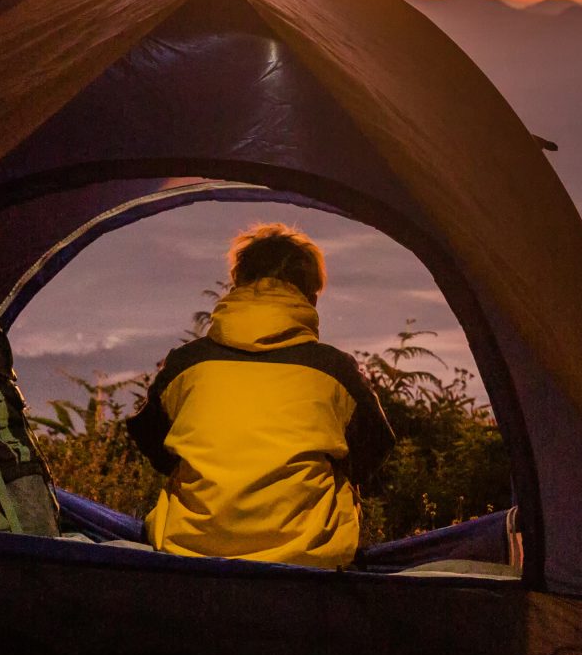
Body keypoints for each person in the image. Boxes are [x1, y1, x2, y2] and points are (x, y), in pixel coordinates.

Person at [124, 222, 393, 567]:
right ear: (310, 296)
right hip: (310, 560)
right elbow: (375, 447)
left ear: (238, 284)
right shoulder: (334, 370)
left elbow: (151, 440)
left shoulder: (187, 363)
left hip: (188, 553)